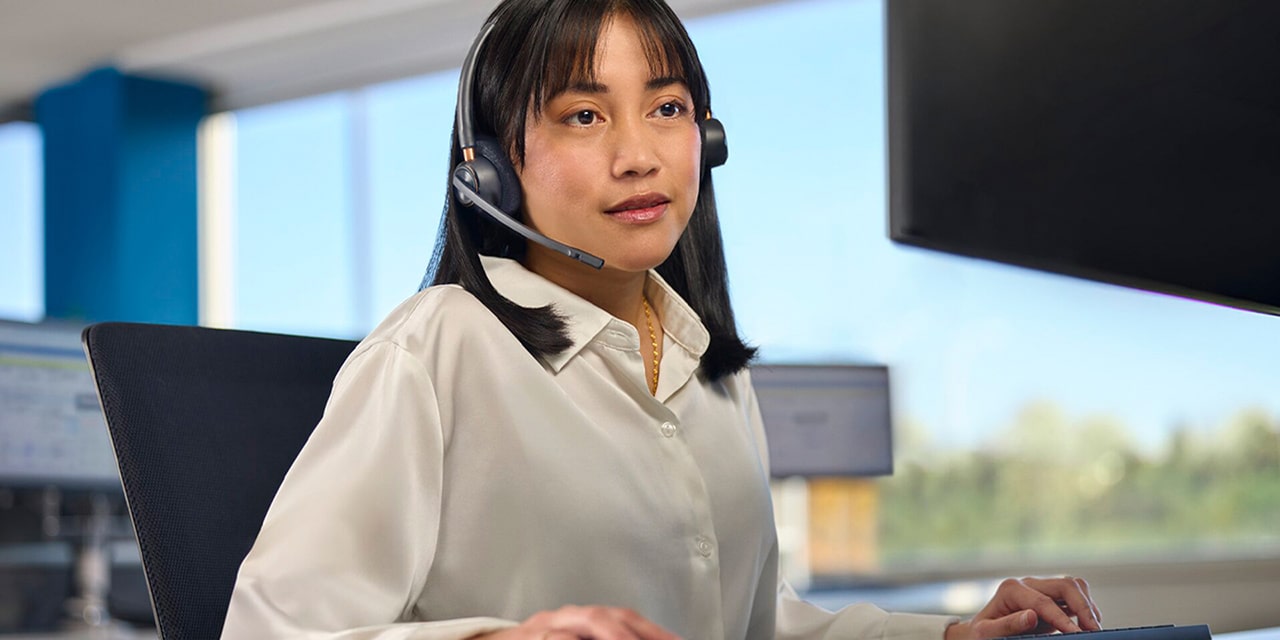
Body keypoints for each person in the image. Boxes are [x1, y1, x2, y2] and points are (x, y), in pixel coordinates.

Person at [222, 1, 1104, 638]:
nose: (638, 154)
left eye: (667, 108)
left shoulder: (712, 372)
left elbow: (758, 623)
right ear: (490, 165)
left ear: (705, 139)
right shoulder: (437, 347)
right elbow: (273, 630)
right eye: (584, 115)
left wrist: (952, 635)